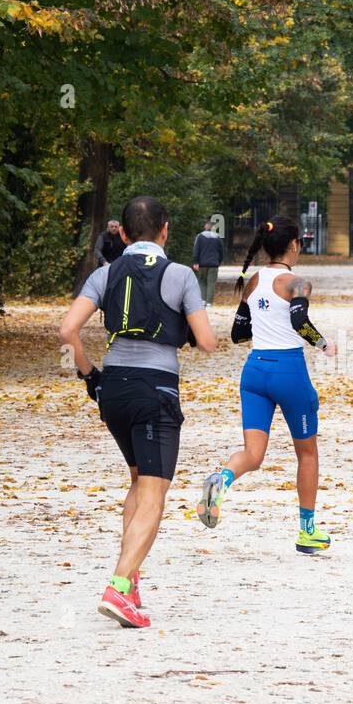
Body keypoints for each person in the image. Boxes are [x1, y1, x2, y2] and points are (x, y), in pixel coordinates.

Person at [60, 195, 218, 628]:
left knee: (137, 480)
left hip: (113, 390)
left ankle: (130, 581)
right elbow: (207, 342)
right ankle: (118, 585)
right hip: (156, 391)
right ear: (165, 230)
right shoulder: (180, 274)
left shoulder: (104, 273)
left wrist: (90, 375)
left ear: (124, 234)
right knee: (154, 491)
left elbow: (67, 330)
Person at [196, 216, 338, 553]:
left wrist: (264, 321)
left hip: (254, 373)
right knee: (307, 453)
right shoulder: (297, 283)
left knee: (253, 453)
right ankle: (307, 531)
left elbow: (238, 334)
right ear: (293, 246)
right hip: (288, 372)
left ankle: (222, 479)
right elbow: (299, 319)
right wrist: (323, 345)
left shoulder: (253, 281)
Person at [192, 219, 225, 305]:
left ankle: (203, 300)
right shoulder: (217, 238)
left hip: (202, 264)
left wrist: (196, 262)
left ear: (205, 227)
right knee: (211, 283)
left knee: (202, 281)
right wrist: (219, 262)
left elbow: (196, 250)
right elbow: (221, 251)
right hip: (214, 264)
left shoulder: (200, 236)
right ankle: (209, 302)